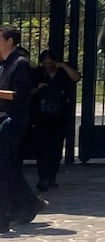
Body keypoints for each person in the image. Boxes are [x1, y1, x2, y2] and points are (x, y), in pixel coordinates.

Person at [0, 27, 35, 233]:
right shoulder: (2, 65)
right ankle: (28, 203)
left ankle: (6, 214)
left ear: (10, 40)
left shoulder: (19, 63)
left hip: (11, 122)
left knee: (4, 169)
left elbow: (20, 94)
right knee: (8, 168)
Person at [29, 49, 80, 192]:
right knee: (42, 148)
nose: (48, 65)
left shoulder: (63, 73)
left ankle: (52, 177)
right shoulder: (38, 74)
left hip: (60, 116)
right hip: (41, 116)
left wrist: (62, 66)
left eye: (51, 62)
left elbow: (76, 78)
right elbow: (28, 91)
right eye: (45, 62)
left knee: (56, 148)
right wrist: (38, 88)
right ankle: (43, 178)